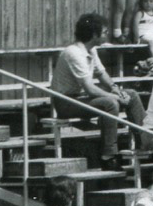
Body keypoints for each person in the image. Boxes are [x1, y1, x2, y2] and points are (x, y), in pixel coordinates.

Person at [50, 13, 148, 169]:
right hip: (65, 102)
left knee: (132, 95)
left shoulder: (91, 50)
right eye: (104, 32)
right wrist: (115, 97)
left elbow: (101, 73)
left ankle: (145, 141)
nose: (106, 35)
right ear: (94, 35)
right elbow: (90, 88)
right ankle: (108, 156)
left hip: (79, 97)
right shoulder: (73, 53)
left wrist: (115, 89)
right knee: (110, 103)